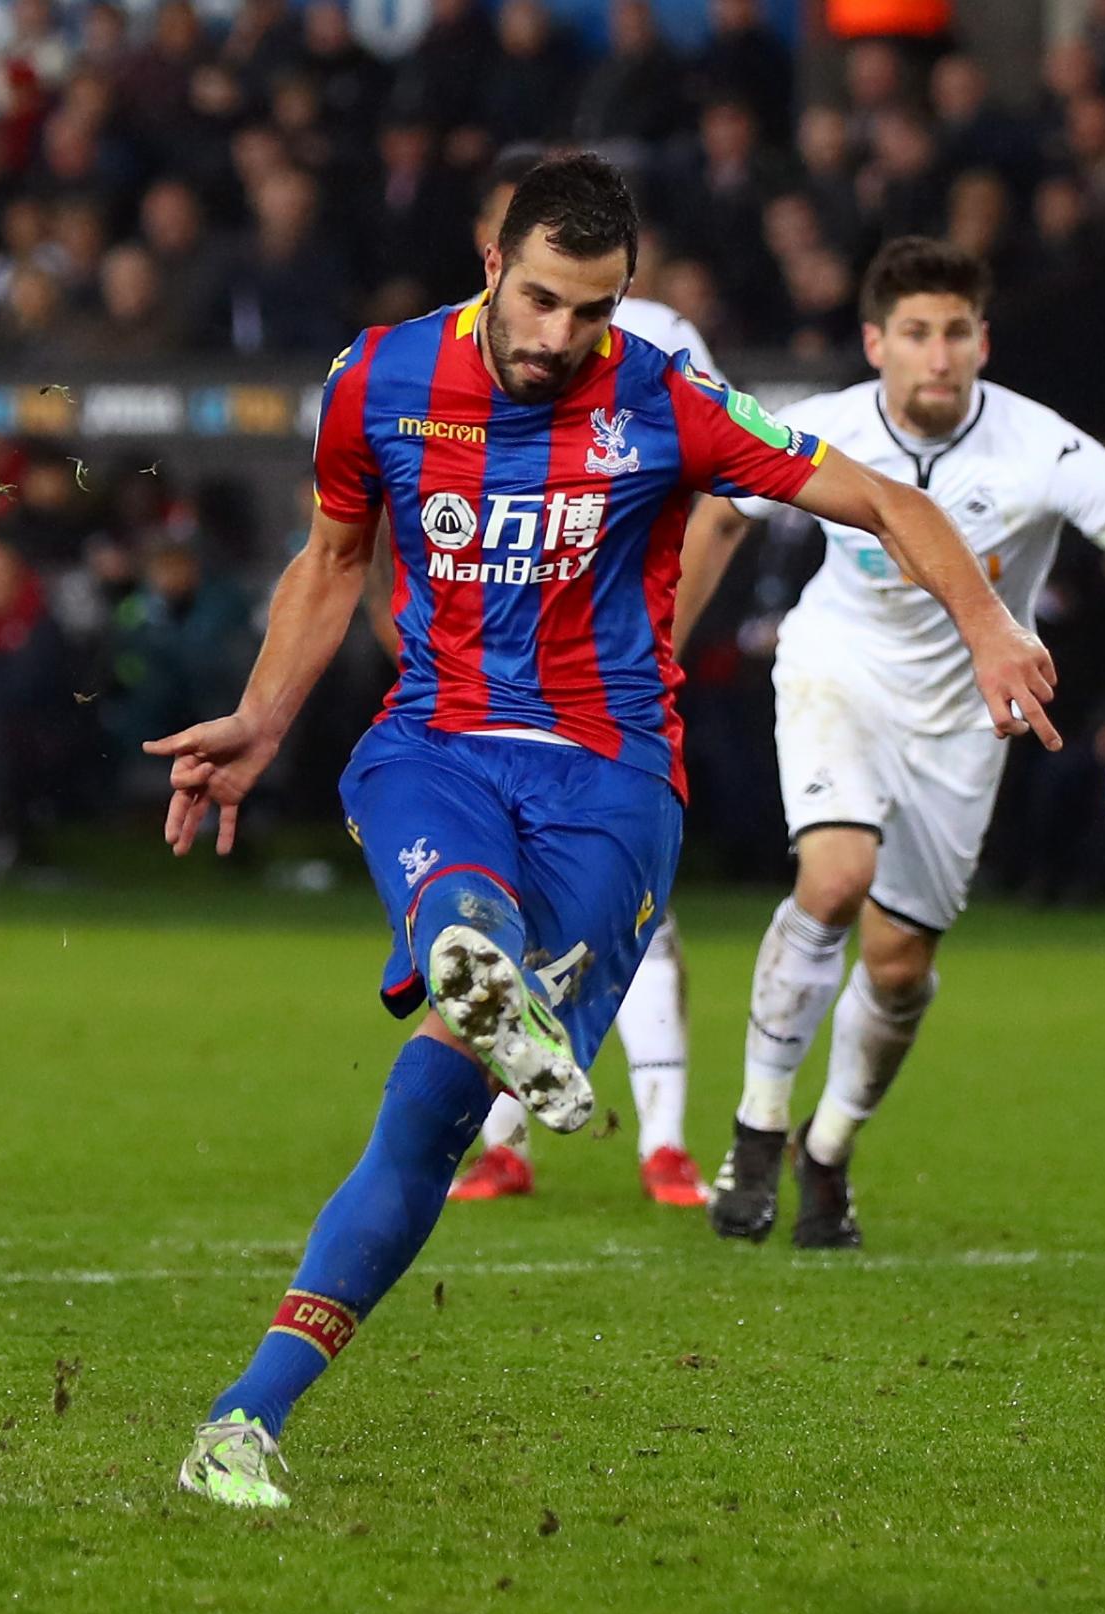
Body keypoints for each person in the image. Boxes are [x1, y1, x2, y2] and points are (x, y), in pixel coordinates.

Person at [157, 156, 1059, 1508]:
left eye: (592, 311)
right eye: (538, 302)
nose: (558, 338)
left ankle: (248, 1413)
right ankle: (477, 961)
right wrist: (262, 719)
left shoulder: (668, 399)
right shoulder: (380, 380)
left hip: (610, 784)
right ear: (491, 268)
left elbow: (882, 499)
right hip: (440, 744)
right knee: (457, 913)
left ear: (624, 300)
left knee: (427, 1111)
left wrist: (989, 622)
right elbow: (335, 561)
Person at [670, 236, 1105, 1250]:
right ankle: (756, 1124)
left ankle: (826, 1150)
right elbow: (719, 517)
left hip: (969, 713)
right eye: (915, 332)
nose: (937, 354)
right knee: (833, 879)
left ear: (982, 342)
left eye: (956, 332)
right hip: (837, 665)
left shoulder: (1043, 448)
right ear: (875, 342)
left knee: (898, 963)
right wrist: (660, 655)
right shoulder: (821, 426)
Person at [398, 150, 723, 1209]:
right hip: (486, 703)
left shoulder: (661, 348)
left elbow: (729, 499)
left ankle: (664, 1141)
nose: (554, 314)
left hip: (606, 695)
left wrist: (660, 637)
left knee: (631, 914)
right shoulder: (441, 359)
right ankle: (501, 1142)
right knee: (503, 924)